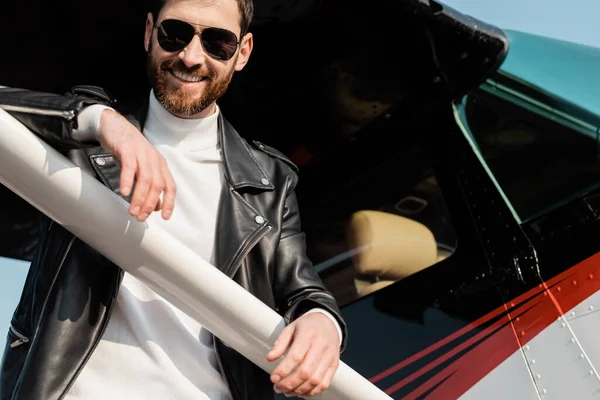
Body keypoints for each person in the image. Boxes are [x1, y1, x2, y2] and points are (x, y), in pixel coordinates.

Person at [0, 0, 347, 399]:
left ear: (243, 52)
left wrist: (324, 322)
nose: (191, 56)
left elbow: (303, 292)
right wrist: (99, 120)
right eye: (175, 34)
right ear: (149, 32)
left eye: (218, 42)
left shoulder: (271, 179)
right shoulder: (85, 138)